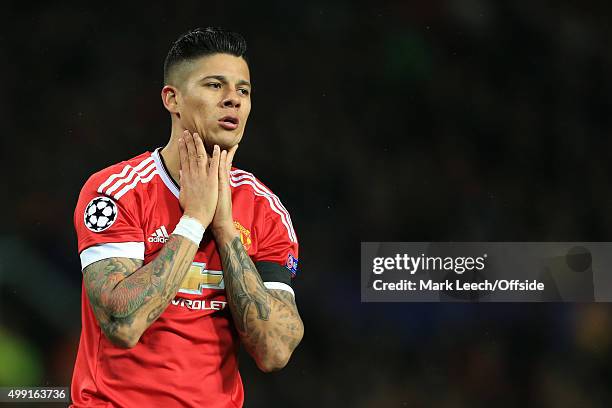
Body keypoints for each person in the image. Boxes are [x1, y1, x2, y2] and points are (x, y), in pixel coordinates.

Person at [70, 27, 304, 407]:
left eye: (243, 91)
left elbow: (275, 351)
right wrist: (194, 221)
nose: (233, 100)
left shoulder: (264, 209)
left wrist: (225, 229)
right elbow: (123, 326)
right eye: (215, 85)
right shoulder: (116, 192)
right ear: (172, 98)